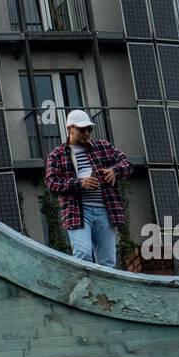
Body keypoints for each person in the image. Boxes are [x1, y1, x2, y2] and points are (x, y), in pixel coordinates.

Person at [44, 110, 133, 269]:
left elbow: (126, 163)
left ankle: (105, 294)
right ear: (70, 129)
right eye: (82, 129)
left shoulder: (102, 146)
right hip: (79, 212)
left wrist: (115, 171)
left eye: (89, 129)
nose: (86, 133)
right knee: (83, 255)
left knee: (107, 261)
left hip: (105, 210)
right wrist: (80, 183)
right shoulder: (57, 155)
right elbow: (52, 183)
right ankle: (84, 292)